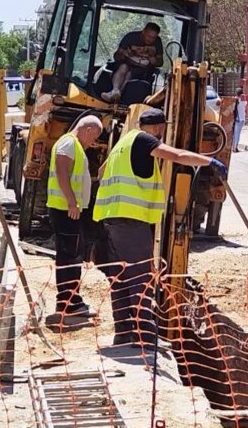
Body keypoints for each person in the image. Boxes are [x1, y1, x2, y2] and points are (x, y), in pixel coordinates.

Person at [94, 107, 225, 349]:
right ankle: (144, 335)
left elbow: (101, 173)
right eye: (163, 129)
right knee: (141, 277)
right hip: (132, 220)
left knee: (120, 277)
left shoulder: (123, 143)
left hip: (111, 219)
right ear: (158, 127)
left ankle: (123, 332)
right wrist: (209, 161)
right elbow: (177, 155)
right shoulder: (145, 140)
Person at [45, 115, 104, 328]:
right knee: (69, 256)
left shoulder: (73, 145)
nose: (93, 142)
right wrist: (71, 202)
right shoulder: (69, 143)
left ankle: (72, 300)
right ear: (87, 129)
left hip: (69, 210)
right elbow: (62, 172)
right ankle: (67, 303)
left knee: (73, 255)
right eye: (94, 137)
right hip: (65, 210)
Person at [103, 22, 164, 105]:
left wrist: (155, 60)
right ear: (143, 32)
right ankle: (115, 91)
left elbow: (160, 62)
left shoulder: (157, 42)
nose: (150, 40)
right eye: (149, 36)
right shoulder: (131, 37)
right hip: (126, 64)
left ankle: (115, 95)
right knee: (124, 67)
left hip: (144, 71)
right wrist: (123, 54)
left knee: (130, 74)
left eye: (153, 38)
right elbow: (116, 56)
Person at [232, 87, 247, 152]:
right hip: (241, 118)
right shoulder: (244, 101)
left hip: (237, 119)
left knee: (235, 133)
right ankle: (235, 147)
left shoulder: (235, 100)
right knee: (238, 134)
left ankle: (234, 147)